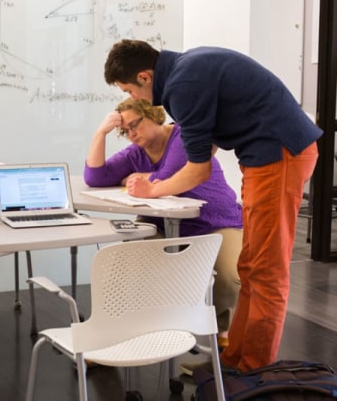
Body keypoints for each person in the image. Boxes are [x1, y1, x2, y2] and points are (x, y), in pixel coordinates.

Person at [103, 39, 322, 373]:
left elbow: (199, 170)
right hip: (266, 155)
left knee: (267, 270)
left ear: (145, 77)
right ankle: (234, 363)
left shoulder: (182, 85)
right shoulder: (188, 69)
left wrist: (154, 189)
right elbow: (207, 146)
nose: (133, 98)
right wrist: (167, 178)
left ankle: (252, 372)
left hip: (279, 155)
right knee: (251, 266)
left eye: (130, 90)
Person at [84, 97, 242, 354]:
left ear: (153, 115)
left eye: (135, 125)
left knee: (229, 276)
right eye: (125, 131)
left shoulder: (182, 135)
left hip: (215, 219)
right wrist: (100, 133)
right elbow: (95, 177)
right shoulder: (136, 153)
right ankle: (135, 331)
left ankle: (222, 334)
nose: (132, 134)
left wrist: (144, 177)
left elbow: (170, 175)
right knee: (131, 267)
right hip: (160, 223)